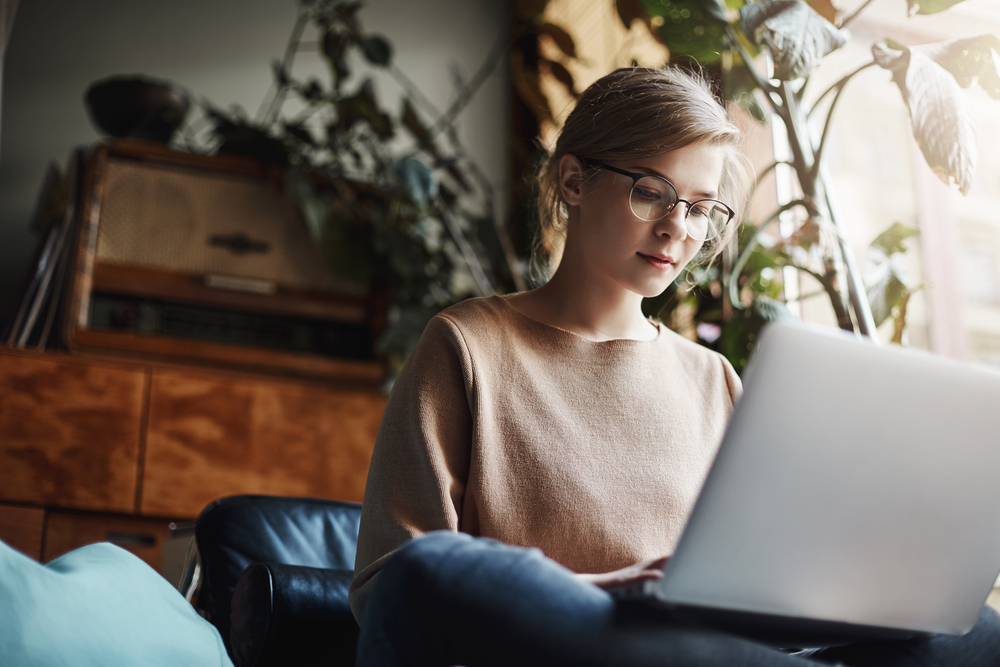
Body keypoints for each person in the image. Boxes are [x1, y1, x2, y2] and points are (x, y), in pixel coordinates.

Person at [348, 66, 1000, 666]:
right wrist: (612, 590)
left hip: (714, 649)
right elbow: (395, 588)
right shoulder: (466, 345)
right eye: (651, 191)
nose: (676, 228)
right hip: (569, 645)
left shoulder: (714, 379)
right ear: (573, 181)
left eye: (700, 207)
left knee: (975, 631)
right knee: (432, 571)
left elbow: (762, 580)